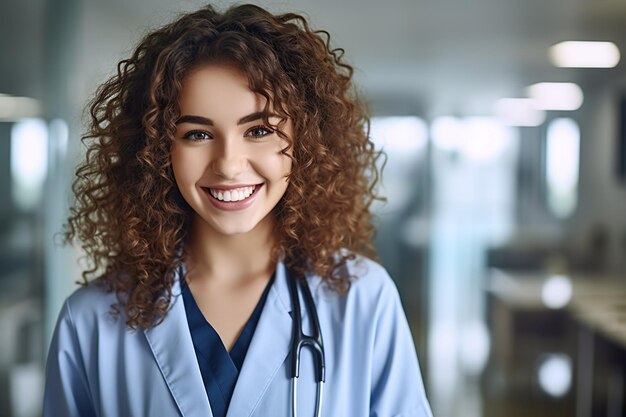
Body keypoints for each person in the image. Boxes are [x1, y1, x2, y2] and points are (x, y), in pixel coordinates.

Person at [43, 4, 433, 417]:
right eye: (197, 134)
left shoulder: (364, 300)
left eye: (259, 130)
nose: (229, 164)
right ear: (156, 151)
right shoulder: (89, 321)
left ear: (306, 140)